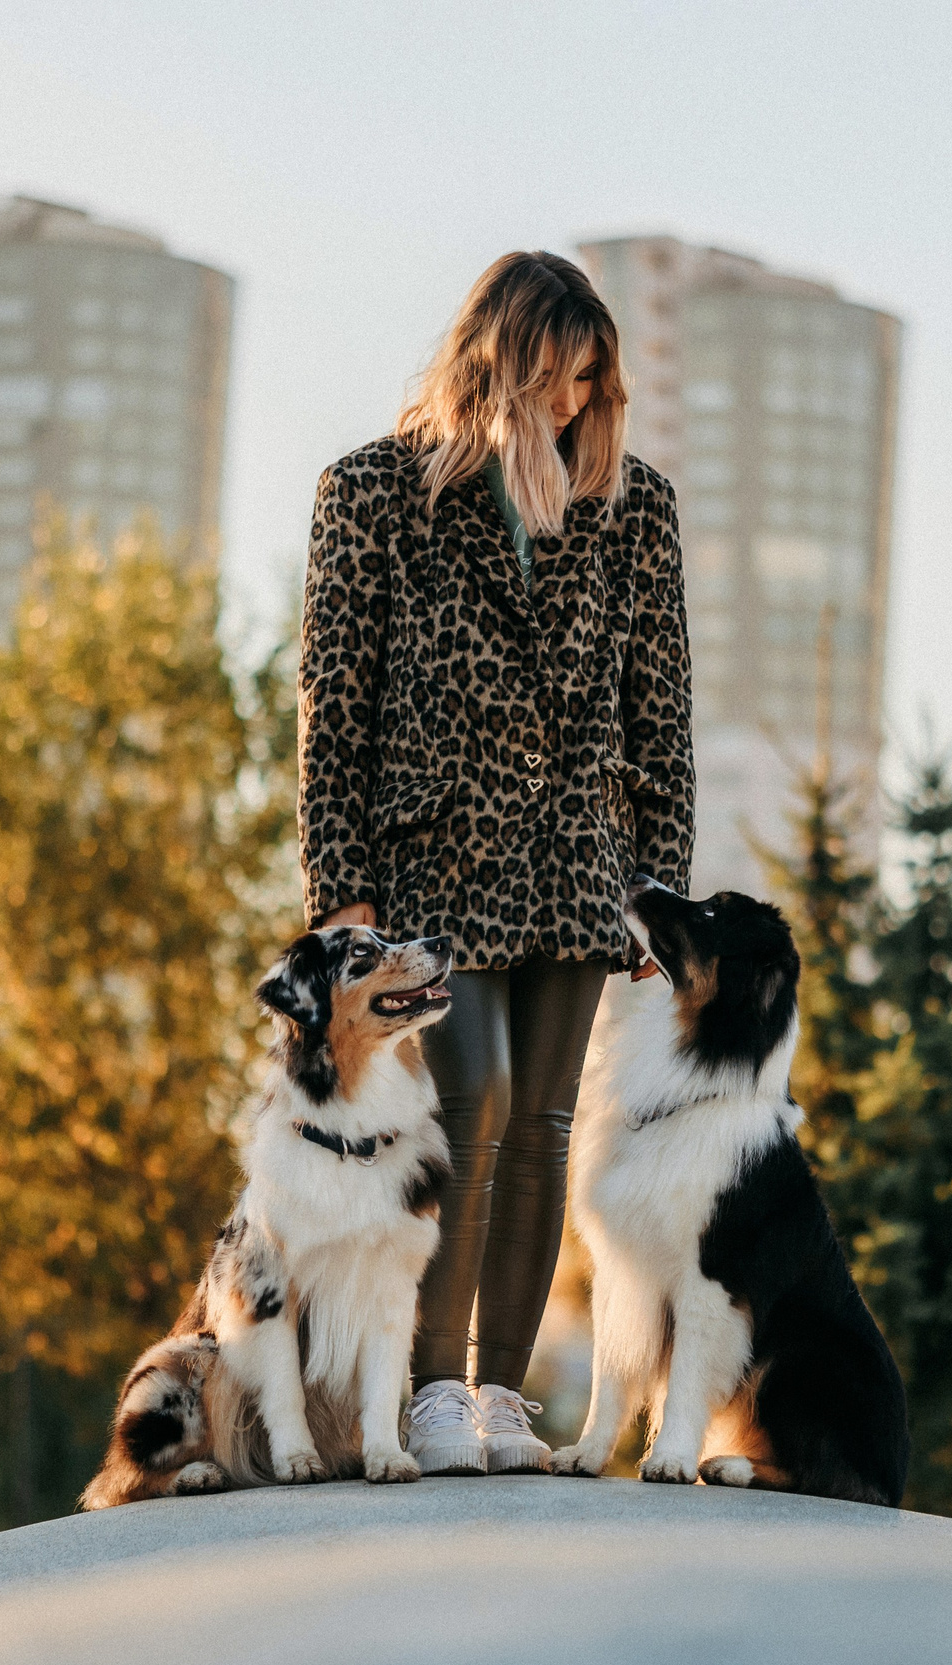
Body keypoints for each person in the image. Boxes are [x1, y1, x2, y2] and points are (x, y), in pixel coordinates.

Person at [297, 250, 696, 1474]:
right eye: (558, 376)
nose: (576, 402)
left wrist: (658, 891)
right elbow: (334, 700)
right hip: (433, 852)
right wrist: (341, 891)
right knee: (471, 1100)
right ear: (503, 361)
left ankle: (500, 1399)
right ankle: (428, 1389)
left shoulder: (634, 505)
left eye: (594, 380)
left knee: (545, 1119)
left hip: (580, 853)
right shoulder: (371, 492)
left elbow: (661, 707)